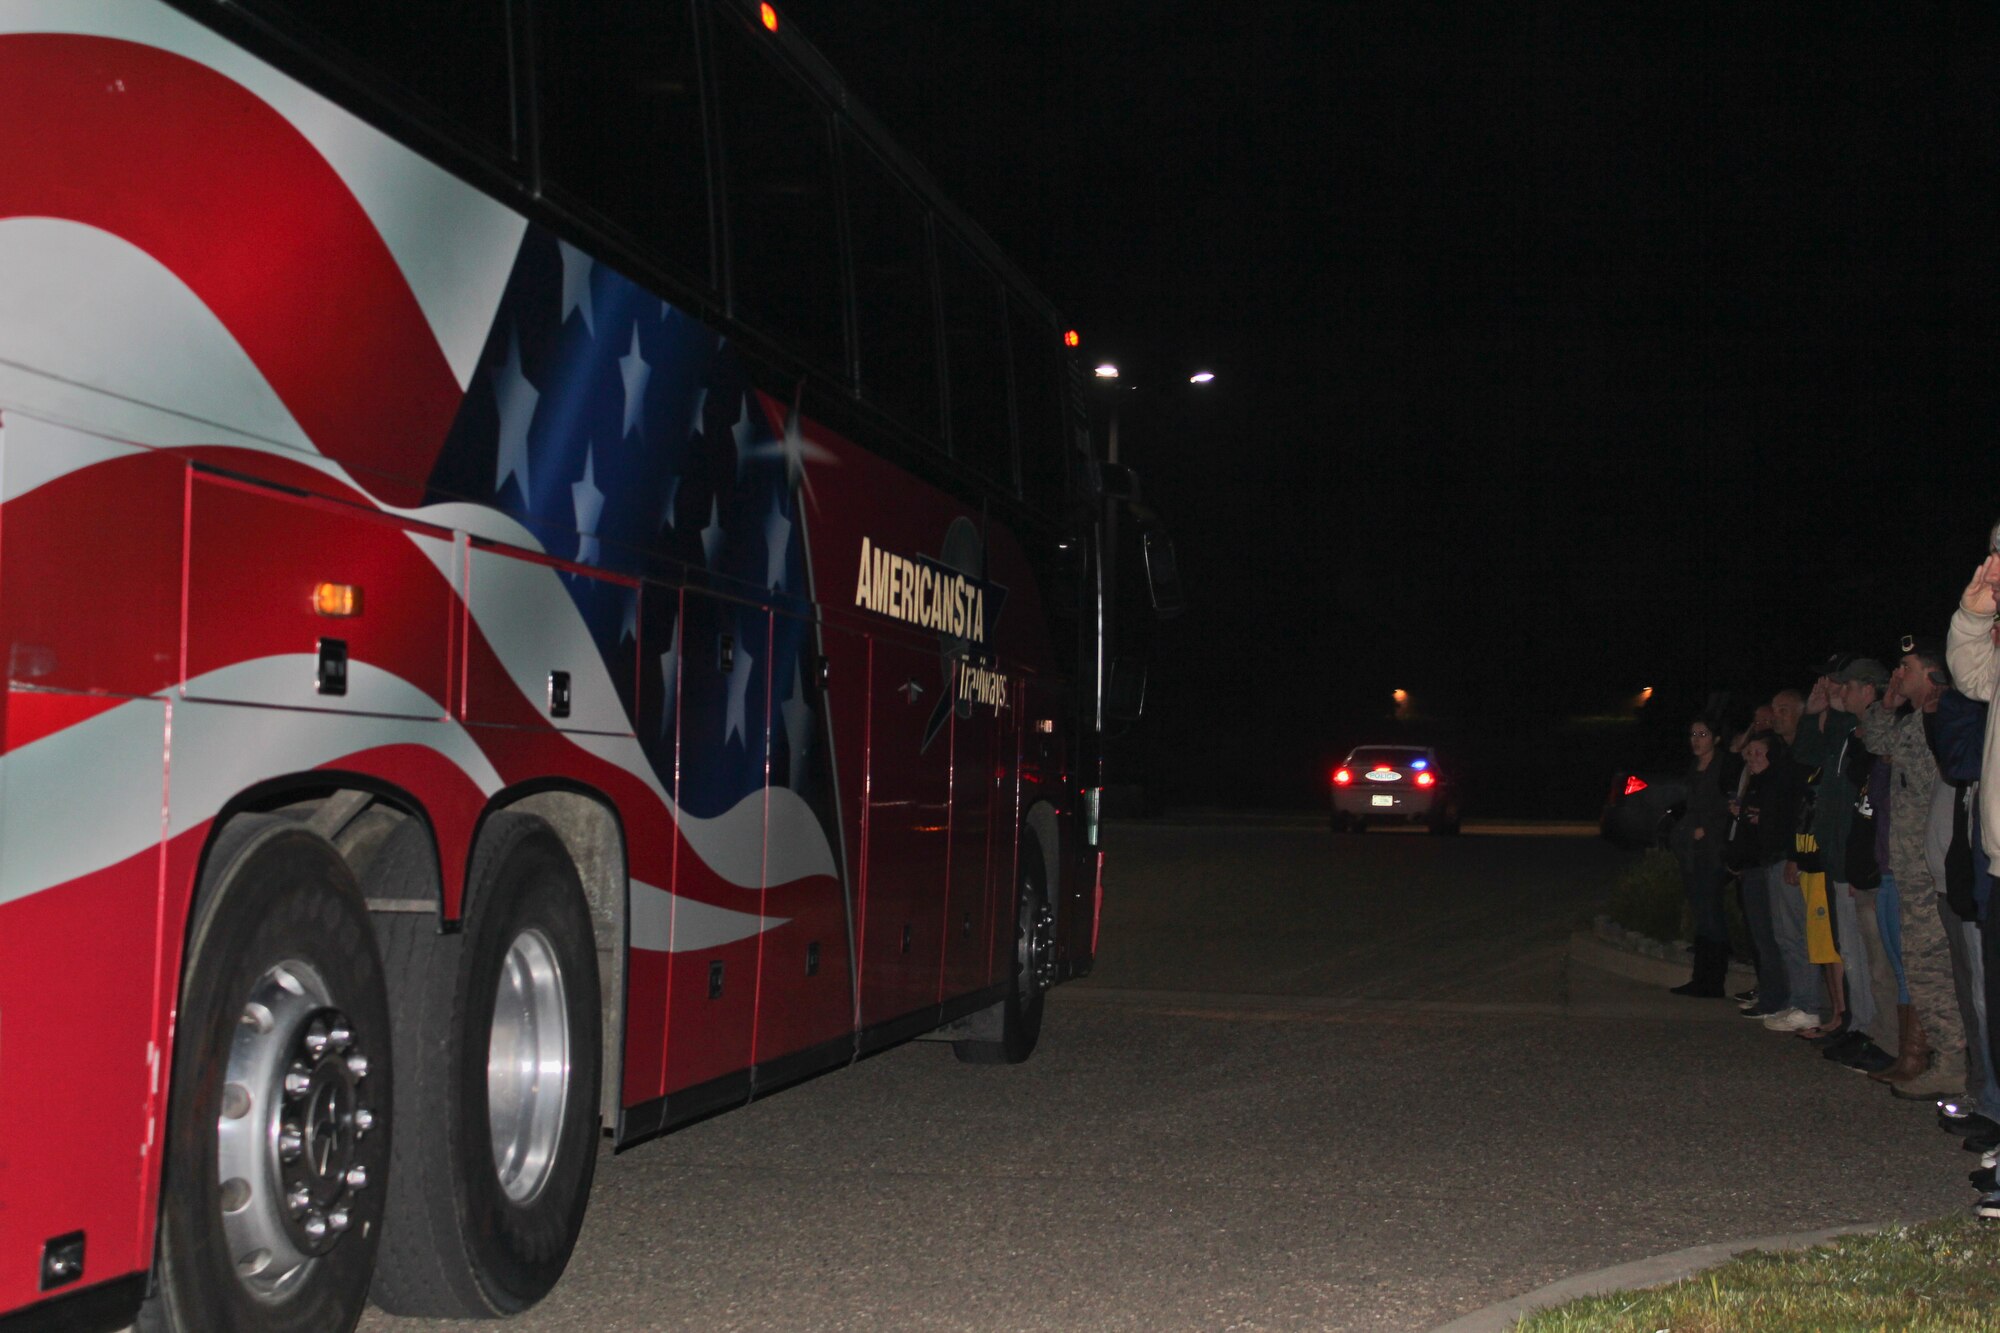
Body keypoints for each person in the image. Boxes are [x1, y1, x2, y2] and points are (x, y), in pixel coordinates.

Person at [1858, 639, 1968, 1097]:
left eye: (1905, 667)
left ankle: (1954, 1063)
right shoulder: (1916, 720)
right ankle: (1944, 1059)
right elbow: (1877, 741)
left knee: (1932, 969)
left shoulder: (1943, 717)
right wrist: (1886, 704)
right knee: (1921, 967)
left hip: (1929, 866)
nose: (1898, 674)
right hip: (1909, 866)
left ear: (1930, 672)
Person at [1732, 734, 1803, 1020]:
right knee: (1763, 936)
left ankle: (1779, 998)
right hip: (1754, 865)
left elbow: (1780, 825)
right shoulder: (1756, 784)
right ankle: (1772, 994)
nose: (1752, 760)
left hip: (1769, 865)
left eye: (1758, 753)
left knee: (1777, 936)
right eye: (1748, 755)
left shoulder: (1777, 783)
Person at [1669, 716, 1737, 996]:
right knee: (1701, 912)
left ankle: (1713, 981)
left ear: (1716, 738)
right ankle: (1700, 978)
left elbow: (1729, 806)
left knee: (1711, 912)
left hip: (1713, 850)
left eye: (1703, 734)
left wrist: (1705, 829)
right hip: (1692, 851)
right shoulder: (1694, 768)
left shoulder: (1723, 766)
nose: (1696, 740)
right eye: (1693, 734)